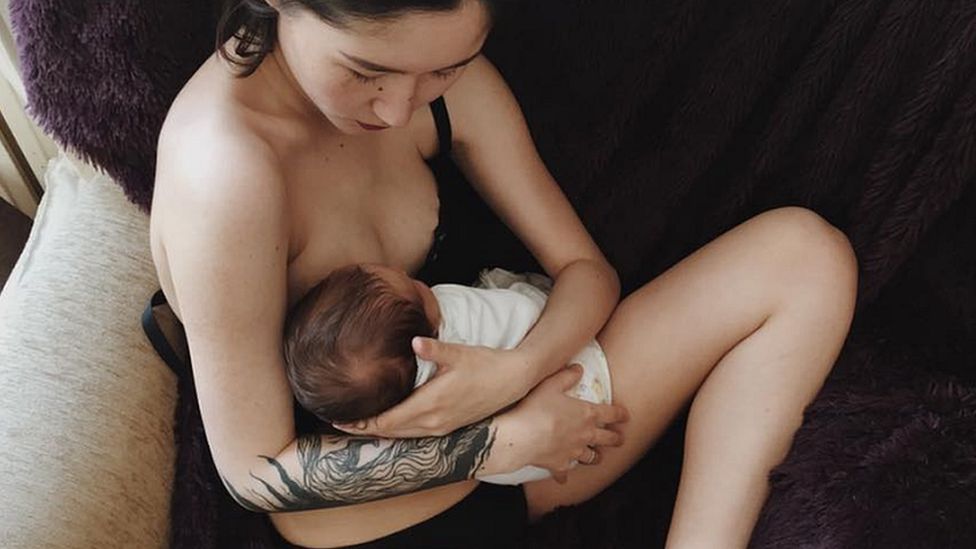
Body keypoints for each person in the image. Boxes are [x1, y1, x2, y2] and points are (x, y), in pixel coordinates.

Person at [148, 0, 859, 547]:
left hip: (538, 407)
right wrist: (498, 442)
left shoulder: (449, 85)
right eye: (367, 71)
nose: (399, 108)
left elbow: (586, 272)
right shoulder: (227, 175)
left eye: (443, 68)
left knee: (805, 255)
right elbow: (254, 474)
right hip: (385, 513)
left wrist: (515, 376)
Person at [282, 263, 612, 485]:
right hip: (576, 391)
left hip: (510, 470)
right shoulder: (458, 323)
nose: (419, 282)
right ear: (430, 331)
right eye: (415, 289)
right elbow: (527, 310)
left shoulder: (379, 403)